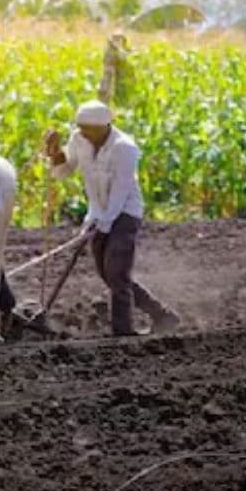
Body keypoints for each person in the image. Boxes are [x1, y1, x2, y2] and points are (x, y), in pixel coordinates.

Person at [43, 100, 180, 336]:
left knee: (116, 272)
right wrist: (55, 154)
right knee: (109, 275)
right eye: (82, 128)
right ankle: (162, 315)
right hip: (98, 213)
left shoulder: (124, 148)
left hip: (125, 213)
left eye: (90, 130)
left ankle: (123, 329)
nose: (85, 134)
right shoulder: (79, 140)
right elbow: (62, 172)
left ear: (105, 126)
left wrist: (104, 225)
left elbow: (121, 189)